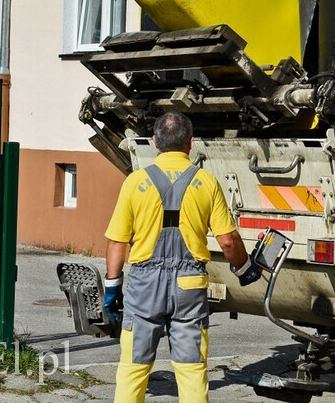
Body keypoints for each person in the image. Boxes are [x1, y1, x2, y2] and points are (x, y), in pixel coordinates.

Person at [103, 111, 261, 402]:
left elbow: (117, 241)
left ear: (154, 141)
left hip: (144, 285)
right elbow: (228, 241)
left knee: (134, 368)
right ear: (191, 142)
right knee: (191, 369)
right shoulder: (207, 182)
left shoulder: (135, 182)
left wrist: (112, 287)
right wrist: (245, 267)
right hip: (189, 284)